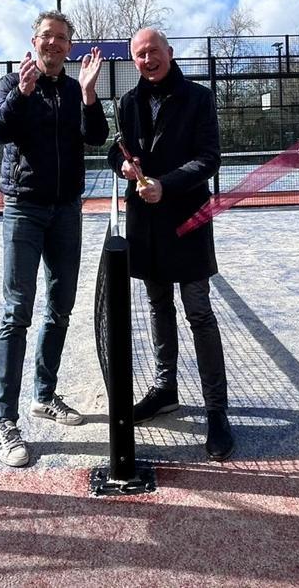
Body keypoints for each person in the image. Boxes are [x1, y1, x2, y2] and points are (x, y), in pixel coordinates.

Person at [106, 28, 235, 461]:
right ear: (134, 61)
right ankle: (166, 390)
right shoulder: (128, 102)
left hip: (188, 222)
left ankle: (217, 411)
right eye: (140, 55)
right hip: (146, 225)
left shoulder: (198, 98)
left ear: (169, 53)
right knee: (158, 307)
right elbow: (116, 149)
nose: (147, 60)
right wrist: (124, 165)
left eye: (153, 52)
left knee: (199, 312)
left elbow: (208, 159)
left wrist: (167, 184)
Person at [0, 11, 107, 467]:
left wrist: (91, 94)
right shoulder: (9, 83)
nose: (53, 44)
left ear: (69, 48)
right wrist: (22, 93)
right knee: (17, 312)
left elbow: (95, 137)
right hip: (24, 208)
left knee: (60, 307)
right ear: (33, 41)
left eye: (61, 38)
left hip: (67, 210)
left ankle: (45, 394)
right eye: (47, 36)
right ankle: (6, 421)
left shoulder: (75, 89)